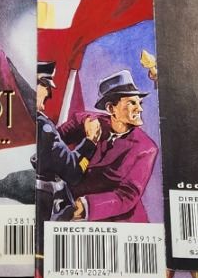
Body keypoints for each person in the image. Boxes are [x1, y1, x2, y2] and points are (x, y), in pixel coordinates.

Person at [34, 70, 159, 224]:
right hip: (69, 212)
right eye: (132, 103)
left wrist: (86, 207)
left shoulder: (146, 148)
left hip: (117, 221)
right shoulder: (86, 121)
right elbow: (48, 145)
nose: (139, 109)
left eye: (139, 103)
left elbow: (127, 195)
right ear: (111, 109)